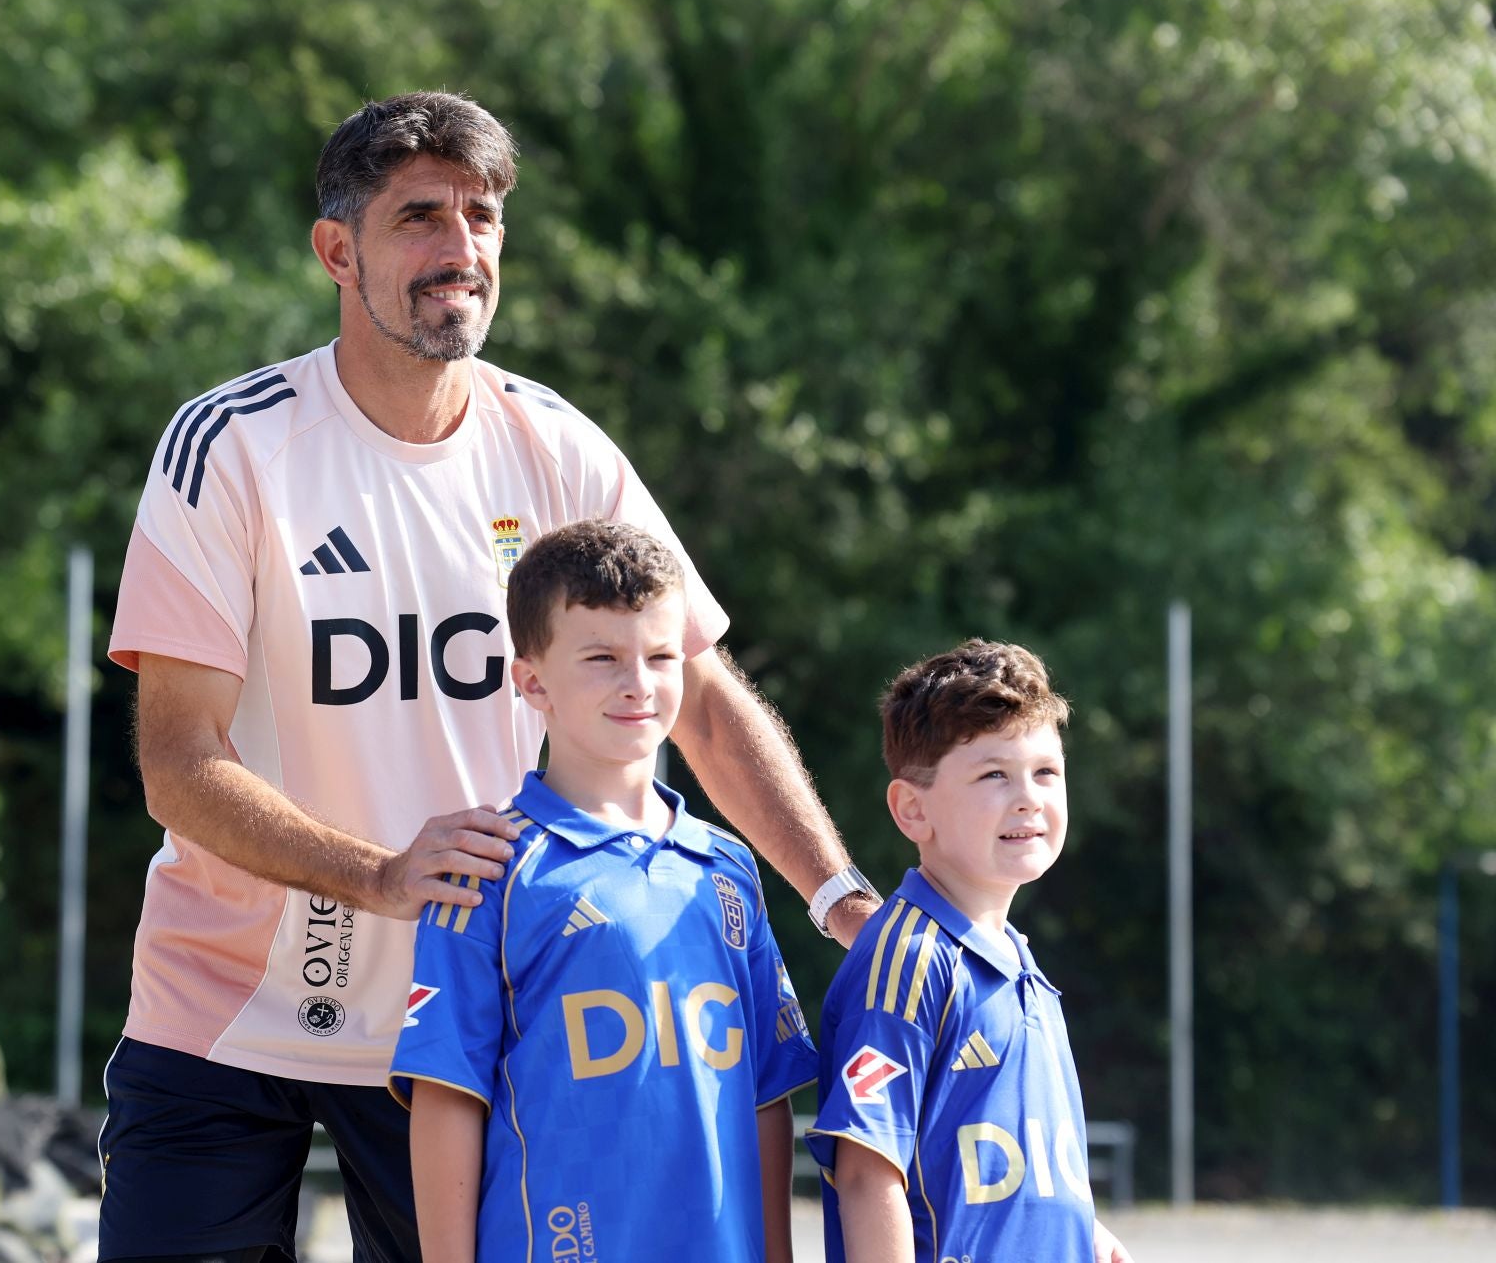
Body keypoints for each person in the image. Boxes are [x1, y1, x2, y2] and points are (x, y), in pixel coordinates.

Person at [98, 90, 879, 1263]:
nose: (460, 248)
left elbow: (701, 694)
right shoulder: (234, 444)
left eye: (485, 215)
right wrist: (380, 872)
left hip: (467, 1028)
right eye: (420, 216)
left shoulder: (558, 446)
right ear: (336, 249)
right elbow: (180, 760)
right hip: (226, 1019)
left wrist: (838, 895)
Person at [390, 520, 817, 1263]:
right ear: (531, 681)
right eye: (601, 658)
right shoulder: (488, 865)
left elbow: (767, 1096)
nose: (638, 684)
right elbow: (446, 1095)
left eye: (660, 657)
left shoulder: (726, 868)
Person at [805, 640, 1134, 1263]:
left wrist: (1083, 1234)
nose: (1029, 797)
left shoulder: (1020, 965)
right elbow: (867, 1175)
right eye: (993, 775)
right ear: (912, 809)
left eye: (1046, 771)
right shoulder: (908, 961)